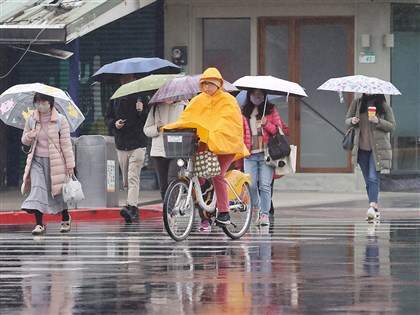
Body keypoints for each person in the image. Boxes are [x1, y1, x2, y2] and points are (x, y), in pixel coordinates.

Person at [164, 67, 249, 228]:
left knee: (218, 174)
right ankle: (207, 190)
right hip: (206, 145)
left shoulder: (228, 100)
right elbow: (186, 117)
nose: (207, 87)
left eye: (210, 83)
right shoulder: (198, 100)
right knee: (197, 174)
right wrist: (175, 127)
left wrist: (214, 133)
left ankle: (224, 212)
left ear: (219, 84)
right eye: (204, 83)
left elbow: (228, 122)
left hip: (226, 145)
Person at [20, 92, 75, 235]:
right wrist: (29, 136)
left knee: (57, 191)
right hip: (36, 161)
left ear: (50, 102)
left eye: (43, 101)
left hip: (55, 161)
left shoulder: (61, 120)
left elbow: (66, 144)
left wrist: (70, 165)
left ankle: (65, 217)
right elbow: (24, 140)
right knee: (38, 189)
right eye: (37, 102)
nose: (40, 105)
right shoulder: (31, 119)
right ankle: (39, 224)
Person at [104, 74, 149, 223]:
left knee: (133, 176)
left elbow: (148, 119)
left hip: (138, 143)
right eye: (125, 80)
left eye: (131, 80)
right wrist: (115, 123)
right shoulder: (115, 98)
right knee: (126, 181)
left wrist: (141, 111)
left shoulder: (142, 98)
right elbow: (108, 117)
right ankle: (133, 209)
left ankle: (132, 206)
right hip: (122, 143)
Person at [345, 93, 396, 221]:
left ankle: (372, 207)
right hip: (361, 149)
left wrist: (378, 121)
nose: (368, 92)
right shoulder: (357, 103)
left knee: (373, 178)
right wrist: (352, 120)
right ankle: (375, 209)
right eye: (366, 90)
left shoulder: (383, 106)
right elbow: (347, 120)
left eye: (370, 90)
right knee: (368, 180)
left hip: (377, 150)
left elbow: (392, 126)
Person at [238, 88, 284, 227]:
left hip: (266, 155)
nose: (256, 97)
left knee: (265, 185)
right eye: (254, 94)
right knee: (251, 185)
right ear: (249, 95)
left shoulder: (270, 110)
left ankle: (265, 214)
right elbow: (239, 131)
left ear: (264, 96)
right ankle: (256, 208)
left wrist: (266, 124)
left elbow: (279, 130)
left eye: (260, 95)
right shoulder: (243, 111)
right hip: (249, 154)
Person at [143, 100, 187, 200]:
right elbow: (146, 129)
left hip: (177, 149)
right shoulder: (156, 107)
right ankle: (167, 209)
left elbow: (191, 127)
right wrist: (157, 128)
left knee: (172, 180)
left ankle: (170, 211)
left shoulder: (184, 107)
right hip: (158, 151)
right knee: (163, 185)